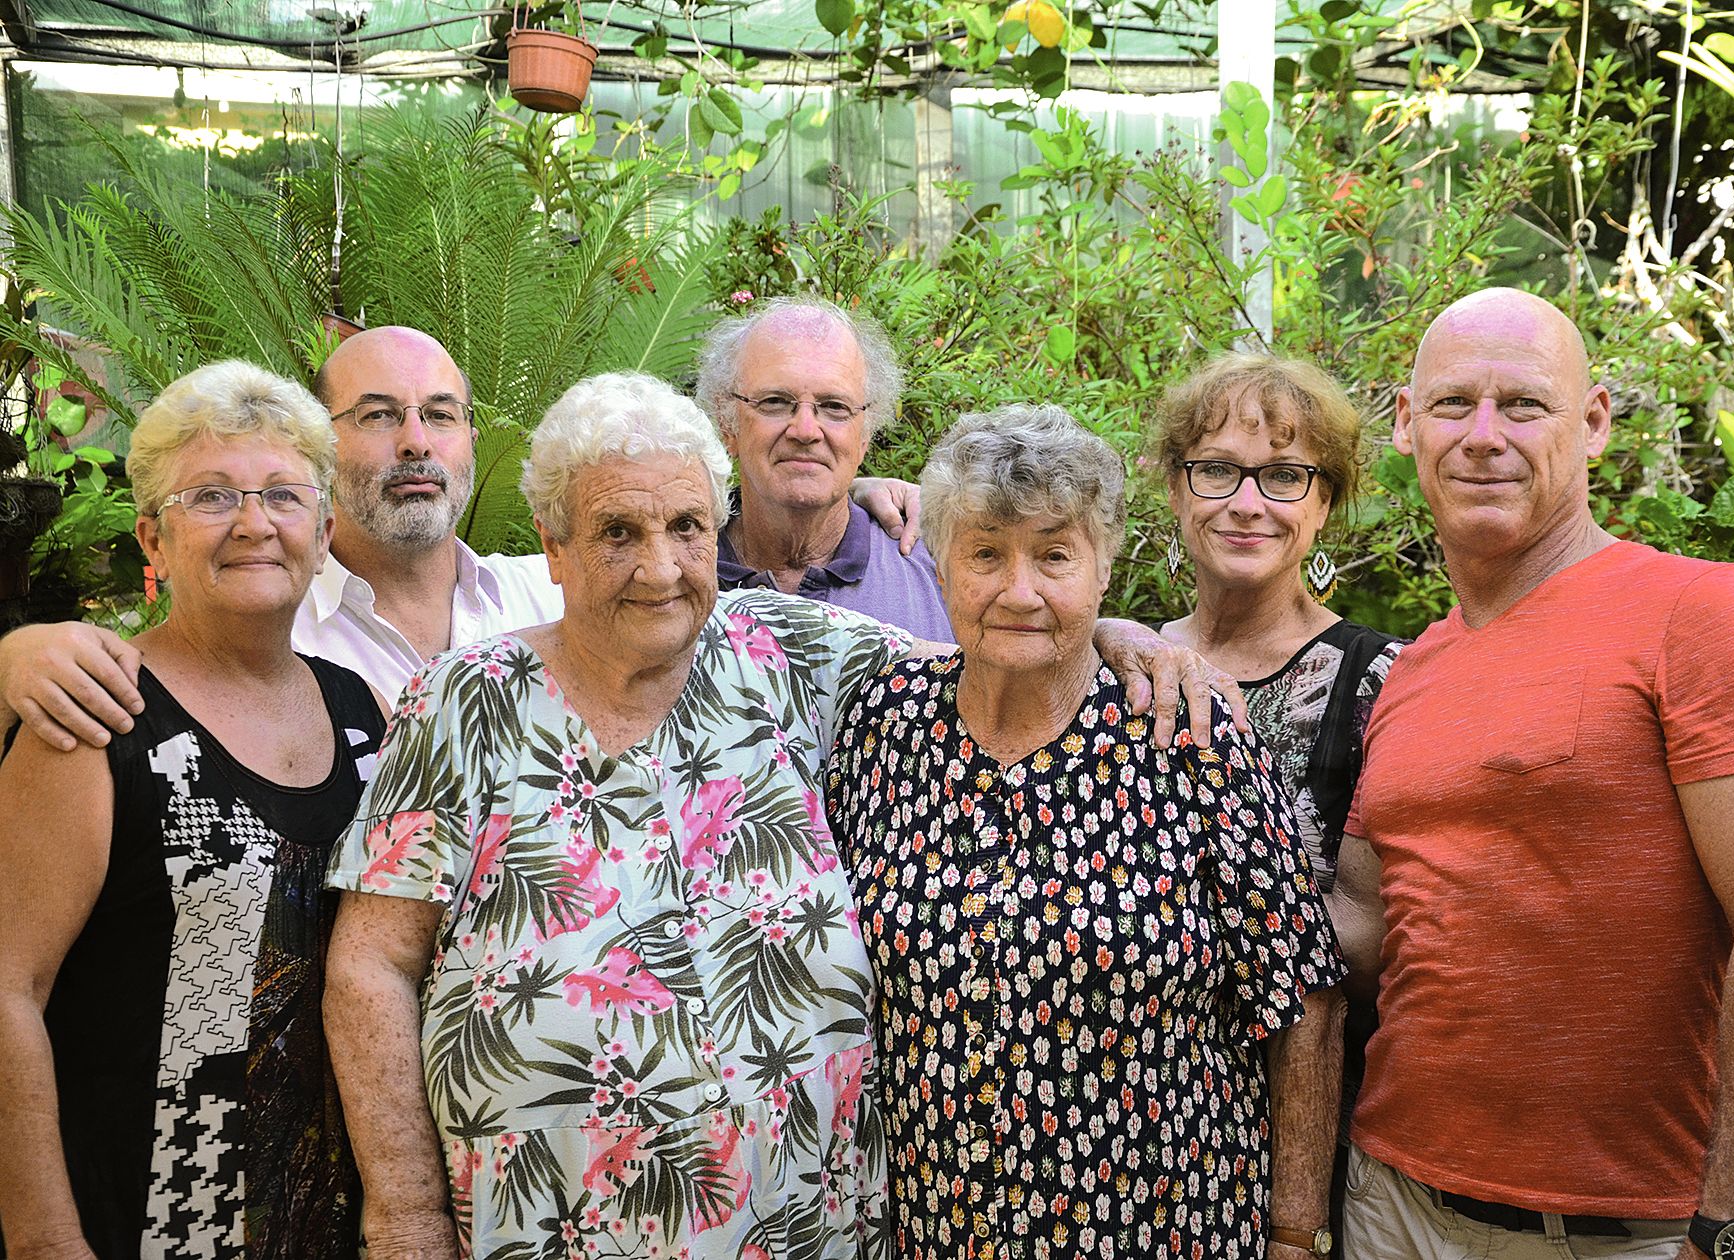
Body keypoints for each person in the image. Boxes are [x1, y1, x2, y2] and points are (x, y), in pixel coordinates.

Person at [318, 374, 1238, 1260]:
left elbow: (999, 640)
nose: (660, 566)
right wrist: (403, 1218)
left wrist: (1126, 638)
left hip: (805, 1223)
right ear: (552, 547)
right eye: (616, 532)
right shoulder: (463, 706)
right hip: (550, 1221)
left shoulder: (783, 651)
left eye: (686, 526)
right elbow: (371, 966)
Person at [1331, 288, 1734, 1260]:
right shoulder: (1413, 673)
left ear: (1595, 422)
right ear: (1405, 423)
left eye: (1522, 405)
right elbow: (1360, 924)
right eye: (1452, 405)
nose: (1483, 437)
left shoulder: (1696, 614)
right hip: (1390, 1206)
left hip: (1623, 1235)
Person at [826, 404, 1345, 1260]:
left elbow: (1304, 1001)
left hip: (1165, 1226)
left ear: (1103, 568)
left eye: (1054, 555)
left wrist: (1295, 1234)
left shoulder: (1189, 731)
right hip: (939, 1228)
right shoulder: (886, 720)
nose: (1019, 590)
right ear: (942, 567)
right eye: (987, 552)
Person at [0, 324, 926, 743]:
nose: (414, 439)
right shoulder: (271, 620)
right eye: (376, 415)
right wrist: (16, 662)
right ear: (323, 455)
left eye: (440, 413)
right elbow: (164, 675)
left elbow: (699, 591)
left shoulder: (559, 589)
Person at [0, 361, 386, 1260]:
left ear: (325, 533)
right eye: (210, 497)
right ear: (152, 540)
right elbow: (8, 988)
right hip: (146, 1219)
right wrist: (42, 1240)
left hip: (331, 1218)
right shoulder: (98, 715)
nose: (254, 523)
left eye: (283, 495)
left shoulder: (359, 708)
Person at [1148, 351, 1401, 1259]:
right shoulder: (1122, 666)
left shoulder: (1382, 681)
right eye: (1216, 469)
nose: (1247, 502)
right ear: (1175, 489)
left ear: (1323, 502)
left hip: (1316, 1118)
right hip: (1144, 1127)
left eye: (1285, 475)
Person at [695, 297, 955, 641]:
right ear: (728, 424)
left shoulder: (939, 571)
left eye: (834, 406)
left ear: (864, 435)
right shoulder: (674, 574)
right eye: (775, 402)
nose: (805, 431)